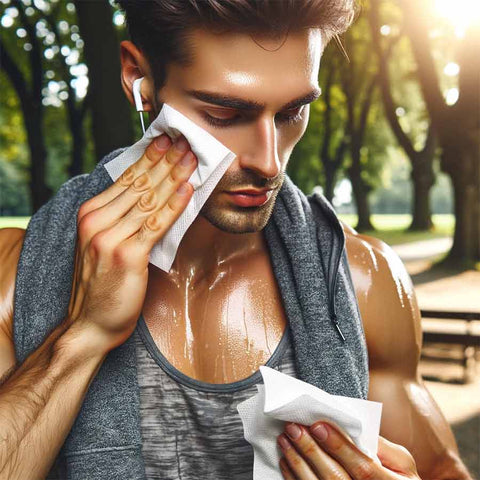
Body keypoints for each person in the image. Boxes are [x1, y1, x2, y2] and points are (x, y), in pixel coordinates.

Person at [0, 1, 473, 479]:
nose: (268, 162)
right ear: (138, 77)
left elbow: (442, 471)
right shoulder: (15, 279)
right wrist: (82, 336)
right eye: (224, 113)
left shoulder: (361, 278)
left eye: (292, 111)